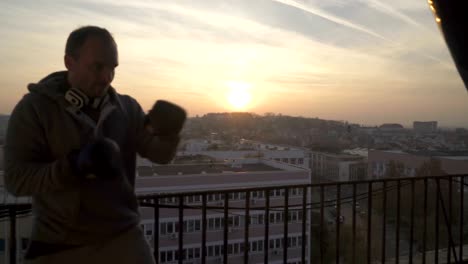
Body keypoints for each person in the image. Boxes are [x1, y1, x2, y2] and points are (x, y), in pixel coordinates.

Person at [3, 26, 186, 264]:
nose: (107, 77)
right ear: (70, 61)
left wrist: (169, 133)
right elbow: (16, 180)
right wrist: (73, 167)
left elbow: (160, 155)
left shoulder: (127, 108)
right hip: (59, 243)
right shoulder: (35, 109)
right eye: (98, 66)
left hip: (123, 237)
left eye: (113, 68)